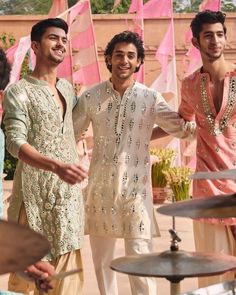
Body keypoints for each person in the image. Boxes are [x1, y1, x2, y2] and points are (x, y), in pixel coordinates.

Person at [73, 31, 195, 295]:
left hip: (136, 194)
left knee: (141, 259)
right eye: (118, 55)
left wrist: (212, 117)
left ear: (139, 62)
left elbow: (182, 128)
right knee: (103, 262)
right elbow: (69, 132)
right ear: (109, 59)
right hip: (100, 193)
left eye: (131, 56)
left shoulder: (150, 98)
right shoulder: (91, 97)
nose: (124, 61)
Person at [3, 18, 87, 295]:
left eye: (64, 39)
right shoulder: (19, 91)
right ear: (36, 47)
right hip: (34, 201)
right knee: (33, 282)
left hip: (68, 200)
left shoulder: (68, 90)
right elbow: (15, 142)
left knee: (68, 281)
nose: (61, 43)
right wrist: (56, 166)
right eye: (54, 38)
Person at [178, 10, 236, 287]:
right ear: (196, 43)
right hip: (207, 189)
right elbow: (180, 122)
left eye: (220, 35)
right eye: (208, 36)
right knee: (213, 275)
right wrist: (135, 135)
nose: (215, 41)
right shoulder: (189, 85)